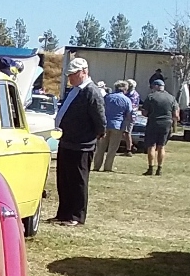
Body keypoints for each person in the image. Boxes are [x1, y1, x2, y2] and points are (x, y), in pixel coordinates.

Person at [51, 58, 105, 226]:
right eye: (69, 75)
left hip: (81, 144)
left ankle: (76, 216)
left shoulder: (91, 92)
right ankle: (63, 213)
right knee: (64, 180)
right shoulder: (74, 90)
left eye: (74, 74)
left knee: (78, 181)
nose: (71, 78)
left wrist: (95, 135)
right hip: (67, 142)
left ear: (84, 72)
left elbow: (100, 119)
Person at [141, 78, 180, 175]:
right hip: (166, 123)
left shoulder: (151, 97)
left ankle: (150, 168)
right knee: (161, 146)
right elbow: (176, 115)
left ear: (155, 86)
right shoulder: (171, 98)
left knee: (151, 146)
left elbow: (144, 113)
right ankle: (159, 169)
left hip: (153, 123)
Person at [94, 80, 134, 172]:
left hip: (105, 124)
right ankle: (107, 167)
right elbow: (129, 115)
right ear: (124, 89)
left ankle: (97, 166)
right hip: (118, 125)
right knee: (113, 148)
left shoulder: (107, 97)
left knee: (100, 147)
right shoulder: (126, 100)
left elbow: (100, 109)